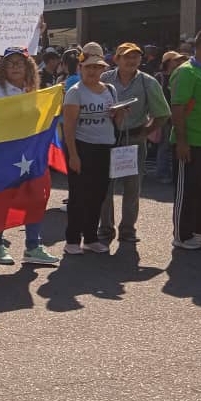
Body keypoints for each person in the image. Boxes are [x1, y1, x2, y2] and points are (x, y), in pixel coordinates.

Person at [0, 50, 60, 266]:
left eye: (20, 63)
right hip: (3, 154)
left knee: (35, 196)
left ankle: (33, 246)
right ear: (3, 68)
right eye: (10, 63)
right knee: (2, 200)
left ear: (28, 67)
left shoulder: (35, 91)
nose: (15, 67)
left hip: (29, 153)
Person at [97, 42, 170, 244]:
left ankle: (128, 229)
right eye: (126, 57)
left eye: (135, 57)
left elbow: (162, 114)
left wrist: (145, 132)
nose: (131, 61)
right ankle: (105, 228)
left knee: (132, 187)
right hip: (107, 139)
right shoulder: (104, 79)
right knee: (105, 186)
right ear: (116, 59)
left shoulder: (148, 82)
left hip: (134, 141)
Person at [61, 48, 128, 255]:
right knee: (78, 195)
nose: (93, 71)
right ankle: (72, 240)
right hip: (82, 147)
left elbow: (116, 122)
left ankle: (90, 238)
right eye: (89, 67)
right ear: (81, 68)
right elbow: (69, 127)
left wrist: (120, 113)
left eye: (97, 67)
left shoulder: (109, 89)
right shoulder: (75, 92)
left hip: (105, 146)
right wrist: (73, 155)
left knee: (98, 195)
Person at [169, 27, 201, 250]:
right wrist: (182, 142)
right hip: (192, 142)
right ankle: (182, 234)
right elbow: (177, 108)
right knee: (189, 190)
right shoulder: (186, 72)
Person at [155, 51, 188, 183]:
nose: (179, 62)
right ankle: (162, 173)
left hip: (178, 116)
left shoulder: (182, 75)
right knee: (164, 145)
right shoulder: (160, 77)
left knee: (173, 145)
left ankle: (174, 173)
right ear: (168, 62)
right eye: (176, 60)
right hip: (165, 116)